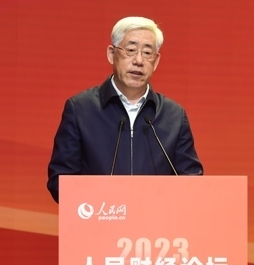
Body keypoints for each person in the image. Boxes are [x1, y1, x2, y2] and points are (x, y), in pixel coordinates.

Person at [47, 16, 203, 203]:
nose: (138, 61)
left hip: (156, 220)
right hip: (100, 217)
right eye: (130, 50)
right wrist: (106, 206)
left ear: (156, 61)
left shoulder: (174, 116)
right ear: (111, 54)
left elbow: (192, 182)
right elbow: (60, 180)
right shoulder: (81, 109)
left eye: (147, 53)